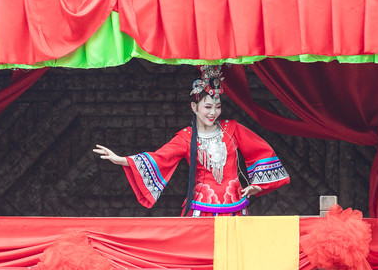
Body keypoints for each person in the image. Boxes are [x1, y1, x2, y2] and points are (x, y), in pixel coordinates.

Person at [93, 66, 290, 216]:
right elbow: (160, 158)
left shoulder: (233, 129)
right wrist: (122, 160)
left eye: (218, 107)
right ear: (194, 107)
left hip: (235, 206)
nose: (213, 112)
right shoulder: (186, 137)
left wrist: (258, 185)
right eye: (207, 107)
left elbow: (261, 151)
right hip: (201, 208)